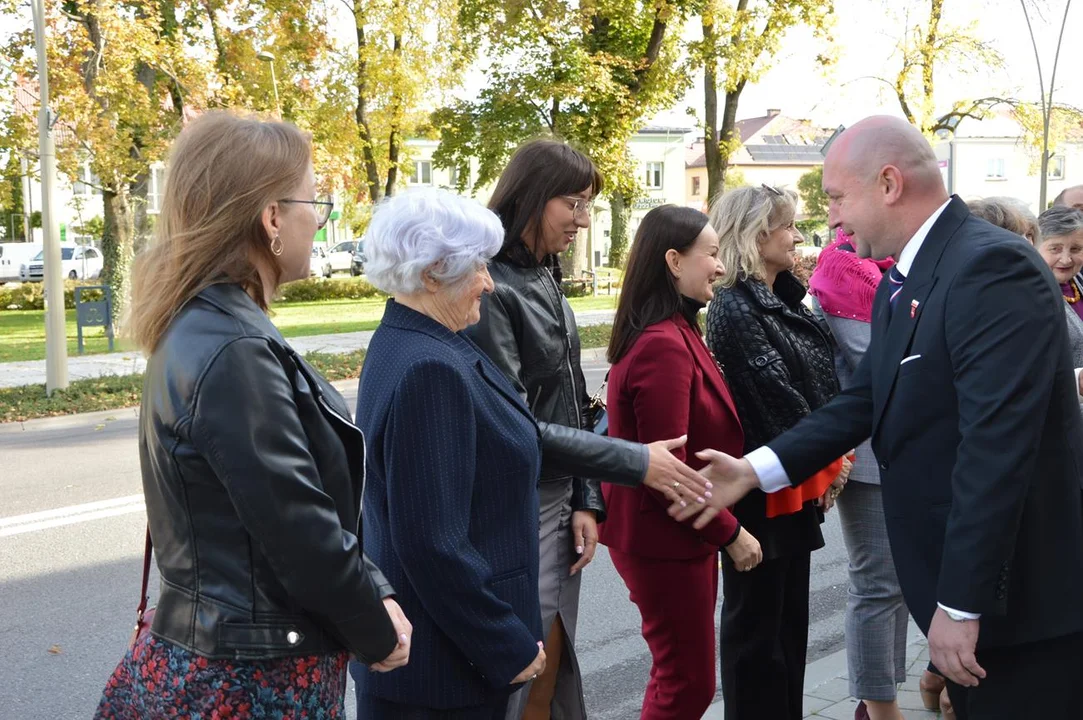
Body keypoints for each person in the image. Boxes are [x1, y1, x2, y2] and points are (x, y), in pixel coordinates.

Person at [686, 116, 1083, 719]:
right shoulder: (906, 273)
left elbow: (996, 447)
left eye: (838, 198)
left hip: (1018, 607)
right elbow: (867, 398)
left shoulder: (990, 266)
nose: (831, 219)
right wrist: (754, 469)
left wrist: (963, 603)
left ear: (890, 184)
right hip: (979, 607)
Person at [94, 112, 410, 720]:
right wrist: (377, 627)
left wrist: (377, 590)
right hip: (249, 681)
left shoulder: (203, 325)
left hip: (227, 659)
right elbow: (299, 529)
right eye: (313, 200)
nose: (320, 218)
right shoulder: (235, 348)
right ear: (271, 218)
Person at [465, 139, 711, 720]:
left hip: (558, 491)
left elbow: (571, 397)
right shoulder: (491, 283)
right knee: (529, 656)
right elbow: (513, 423)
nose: (583, 218)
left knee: (556, 651)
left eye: (587, 205)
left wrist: (586, 497)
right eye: (572, 203)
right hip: (517, 499)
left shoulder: (545, 273)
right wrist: (626, 462)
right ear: (531, 197)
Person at [350, 189, 546, 718]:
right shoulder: (430, 368)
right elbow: (433, 543)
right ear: (433, 273)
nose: (489, 280)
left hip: (440, 665)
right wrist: (505, 643)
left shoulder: (408, 339)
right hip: (445, 675)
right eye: (479, 265)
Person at [599, 205, 762, 720]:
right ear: (673, 260)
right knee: (687, 683)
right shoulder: (661, 345)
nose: (720, 266)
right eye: (711, 254)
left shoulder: (677, 329)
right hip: (664, 538)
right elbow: (663, 471)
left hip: (678, 535)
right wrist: (730, 533)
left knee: (681, 676)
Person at [704, 184, 845, 720]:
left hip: (796, 478)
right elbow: (778, 401)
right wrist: (830, 459)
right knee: (758, 634)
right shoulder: (736, 309)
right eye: (788, 225)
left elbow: (817, 382)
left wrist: (831, 458)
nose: (796, 236)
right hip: (763, 490)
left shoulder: (783, 296)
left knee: (789, 628)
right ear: (757, 233)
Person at [809, 228, 941, 720]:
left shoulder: (888, 270)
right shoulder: (843, 272)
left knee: (899, 580)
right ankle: (876, 703)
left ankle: (884, 692)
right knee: (876, 583)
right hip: (865, 455)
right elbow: (878, 363)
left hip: (902, 448)